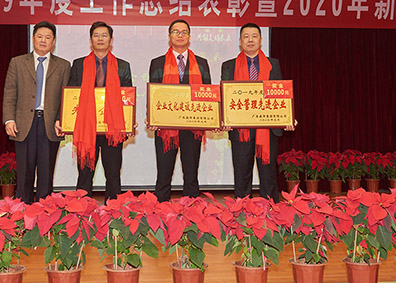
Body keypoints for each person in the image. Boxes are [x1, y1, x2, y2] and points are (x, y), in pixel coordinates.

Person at [221, 22, 295, 202]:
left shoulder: (273, 64)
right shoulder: (229, 65)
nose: (250, 40)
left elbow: (279, 93)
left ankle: (270, 210)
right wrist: (224, 118)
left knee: (268, 174)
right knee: (241, 173)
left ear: (261, 40)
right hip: (240, 129)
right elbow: (225, 96)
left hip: (267, 128)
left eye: (254, 36)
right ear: (240, 41)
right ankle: (242, 210)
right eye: (246, 36)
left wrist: (288, 117)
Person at [62, 21, 133, 202]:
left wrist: (129, 122)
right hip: (86, 129)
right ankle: (82, 210)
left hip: (112, 129)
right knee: (85, 174)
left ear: (111, 40)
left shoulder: (123, 66)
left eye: (104, 35)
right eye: (96, 35)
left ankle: (113, 211)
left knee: (113, 174)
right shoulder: (79, 64)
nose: (100, 39)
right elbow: (72, 95)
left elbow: (127, 98)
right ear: (90, 40)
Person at [2, 21, 71, 203]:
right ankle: (22, 210)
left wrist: (62, 120)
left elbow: (66, 98)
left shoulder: (63, 66)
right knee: (24, 173)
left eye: (48, 37)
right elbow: (10, 93)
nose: (43, 40)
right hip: (24, 123)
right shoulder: (17, 63)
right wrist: (9, 119)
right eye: (39, 36)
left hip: (50, 125)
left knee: (46, 174)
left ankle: (45, 212)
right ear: (33, 39)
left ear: (53, 41)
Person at [148, 19, 211, 202]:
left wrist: (211, 118)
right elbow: (154, 94)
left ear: (189, 36)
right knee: (164, 172)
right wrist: (151, 117)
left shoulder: (202, 63)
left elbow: (207, 94)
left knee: (191, 173)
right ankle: (161, 208)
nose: (180, 35)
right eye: (176, 32)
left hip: (192, 126)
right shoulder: (158, 63)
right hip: (166, 127)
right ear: (169, 36)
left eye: (184, 32)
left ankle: (191, 208)